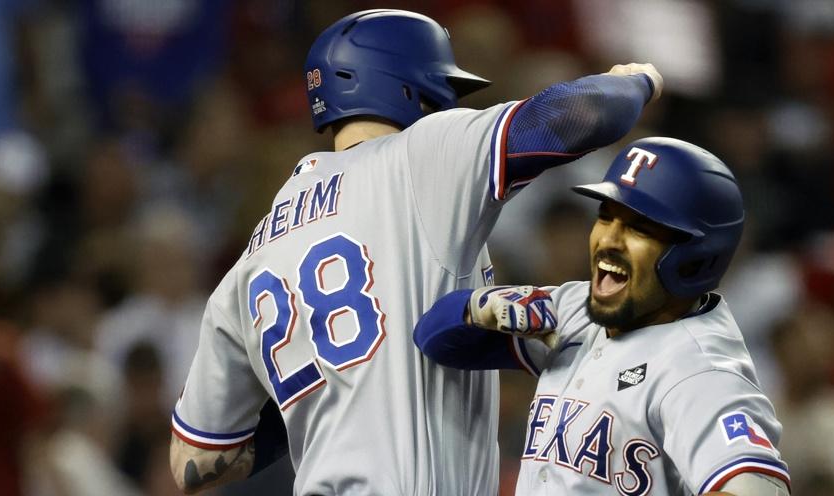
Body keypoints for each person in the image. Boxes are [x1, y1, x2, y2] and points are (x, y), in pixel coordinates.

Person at [167, 9, 663, 495]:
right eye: (440, 92)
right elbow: (584, 112)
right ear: (407, 88)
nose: (445, 106)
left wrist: (318, 393)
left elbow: (196, 461)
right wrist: (636, 80)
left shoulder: (254, 252)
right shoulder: (420, 156)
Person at [414, 137, 791, 495]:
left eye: (638, 227)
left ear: (696, 257)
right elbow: (435, 339)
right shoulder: (579, 308)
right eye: (606, 216)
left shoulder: (699, 371)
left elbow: (754, 487)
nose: (608, 239)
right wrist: (478, 309)